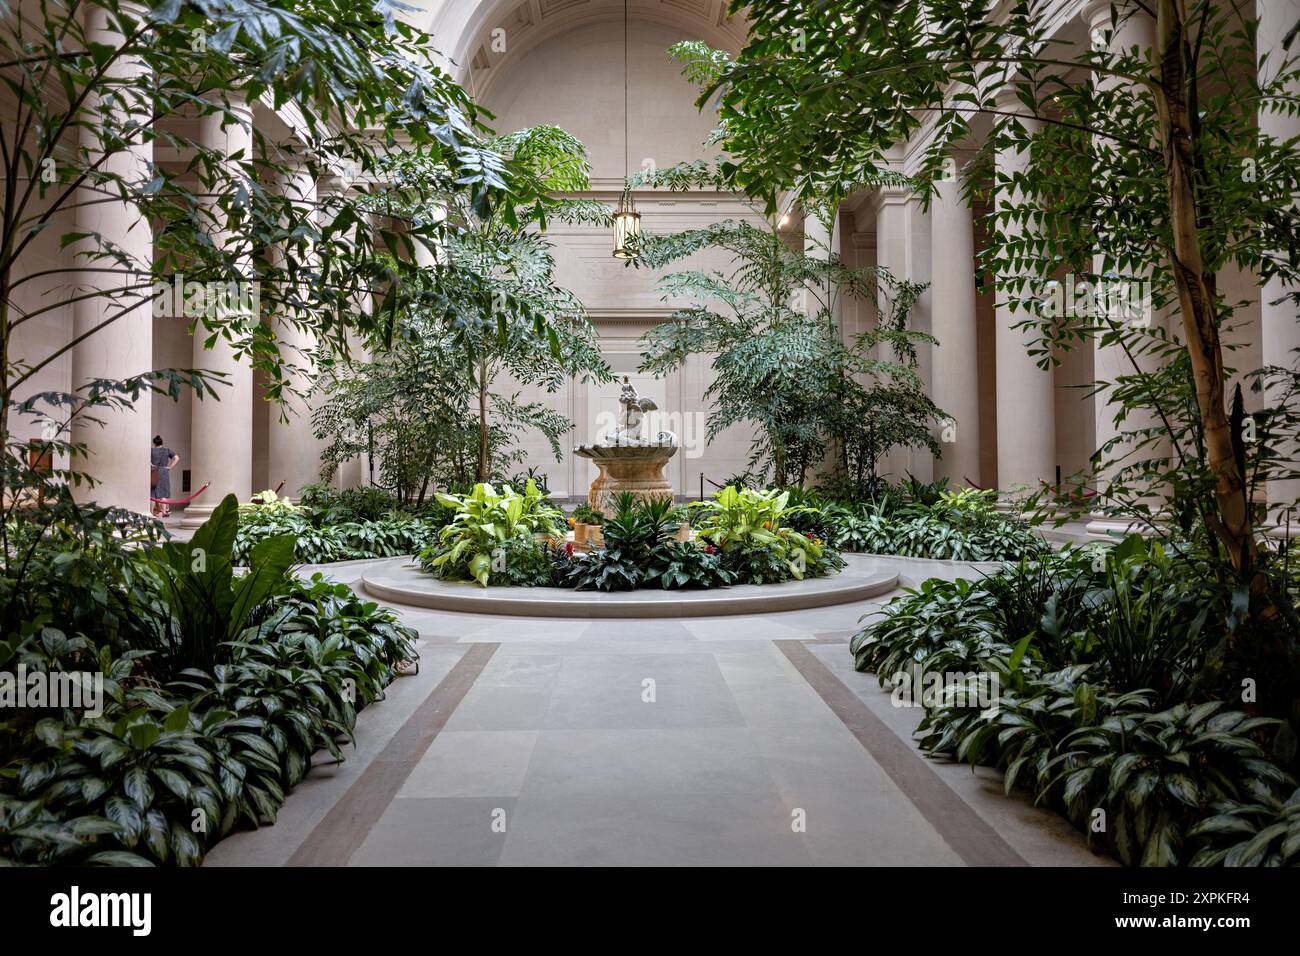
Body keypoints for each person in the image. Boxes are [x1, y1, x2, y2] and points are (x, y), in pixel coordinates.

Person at [150, 436, 180, 517]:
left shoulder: (151, 450)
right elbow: (176, 458)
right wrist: (170, 467)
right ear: (161, 443)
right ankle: (164, 511)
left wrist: (151, 465)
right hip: (164, 472)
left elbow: (145, 459)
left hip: (154, 471)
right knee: (164, 493)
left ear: (154, 443)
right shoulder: (167, 450)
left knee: (152, 494)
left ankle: (151, 512)